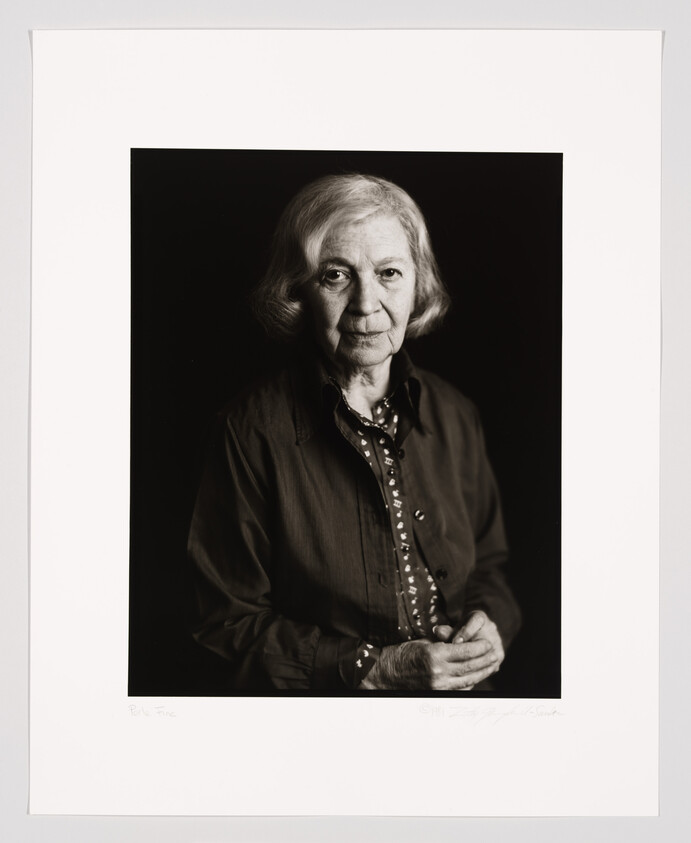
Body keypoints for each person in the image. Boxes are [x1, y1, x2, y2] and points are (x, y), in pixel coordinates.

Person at [187, 173, 521, 691]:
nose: (367, 304)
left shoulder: (456, 414)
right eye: (336, 276)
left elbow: (491, 567)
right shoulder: (248, 433)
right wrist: (377, 668)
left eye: (389, 272)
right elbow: (225, 627)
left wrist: (490, 626)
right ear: (298, 290)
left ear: (419, 283)